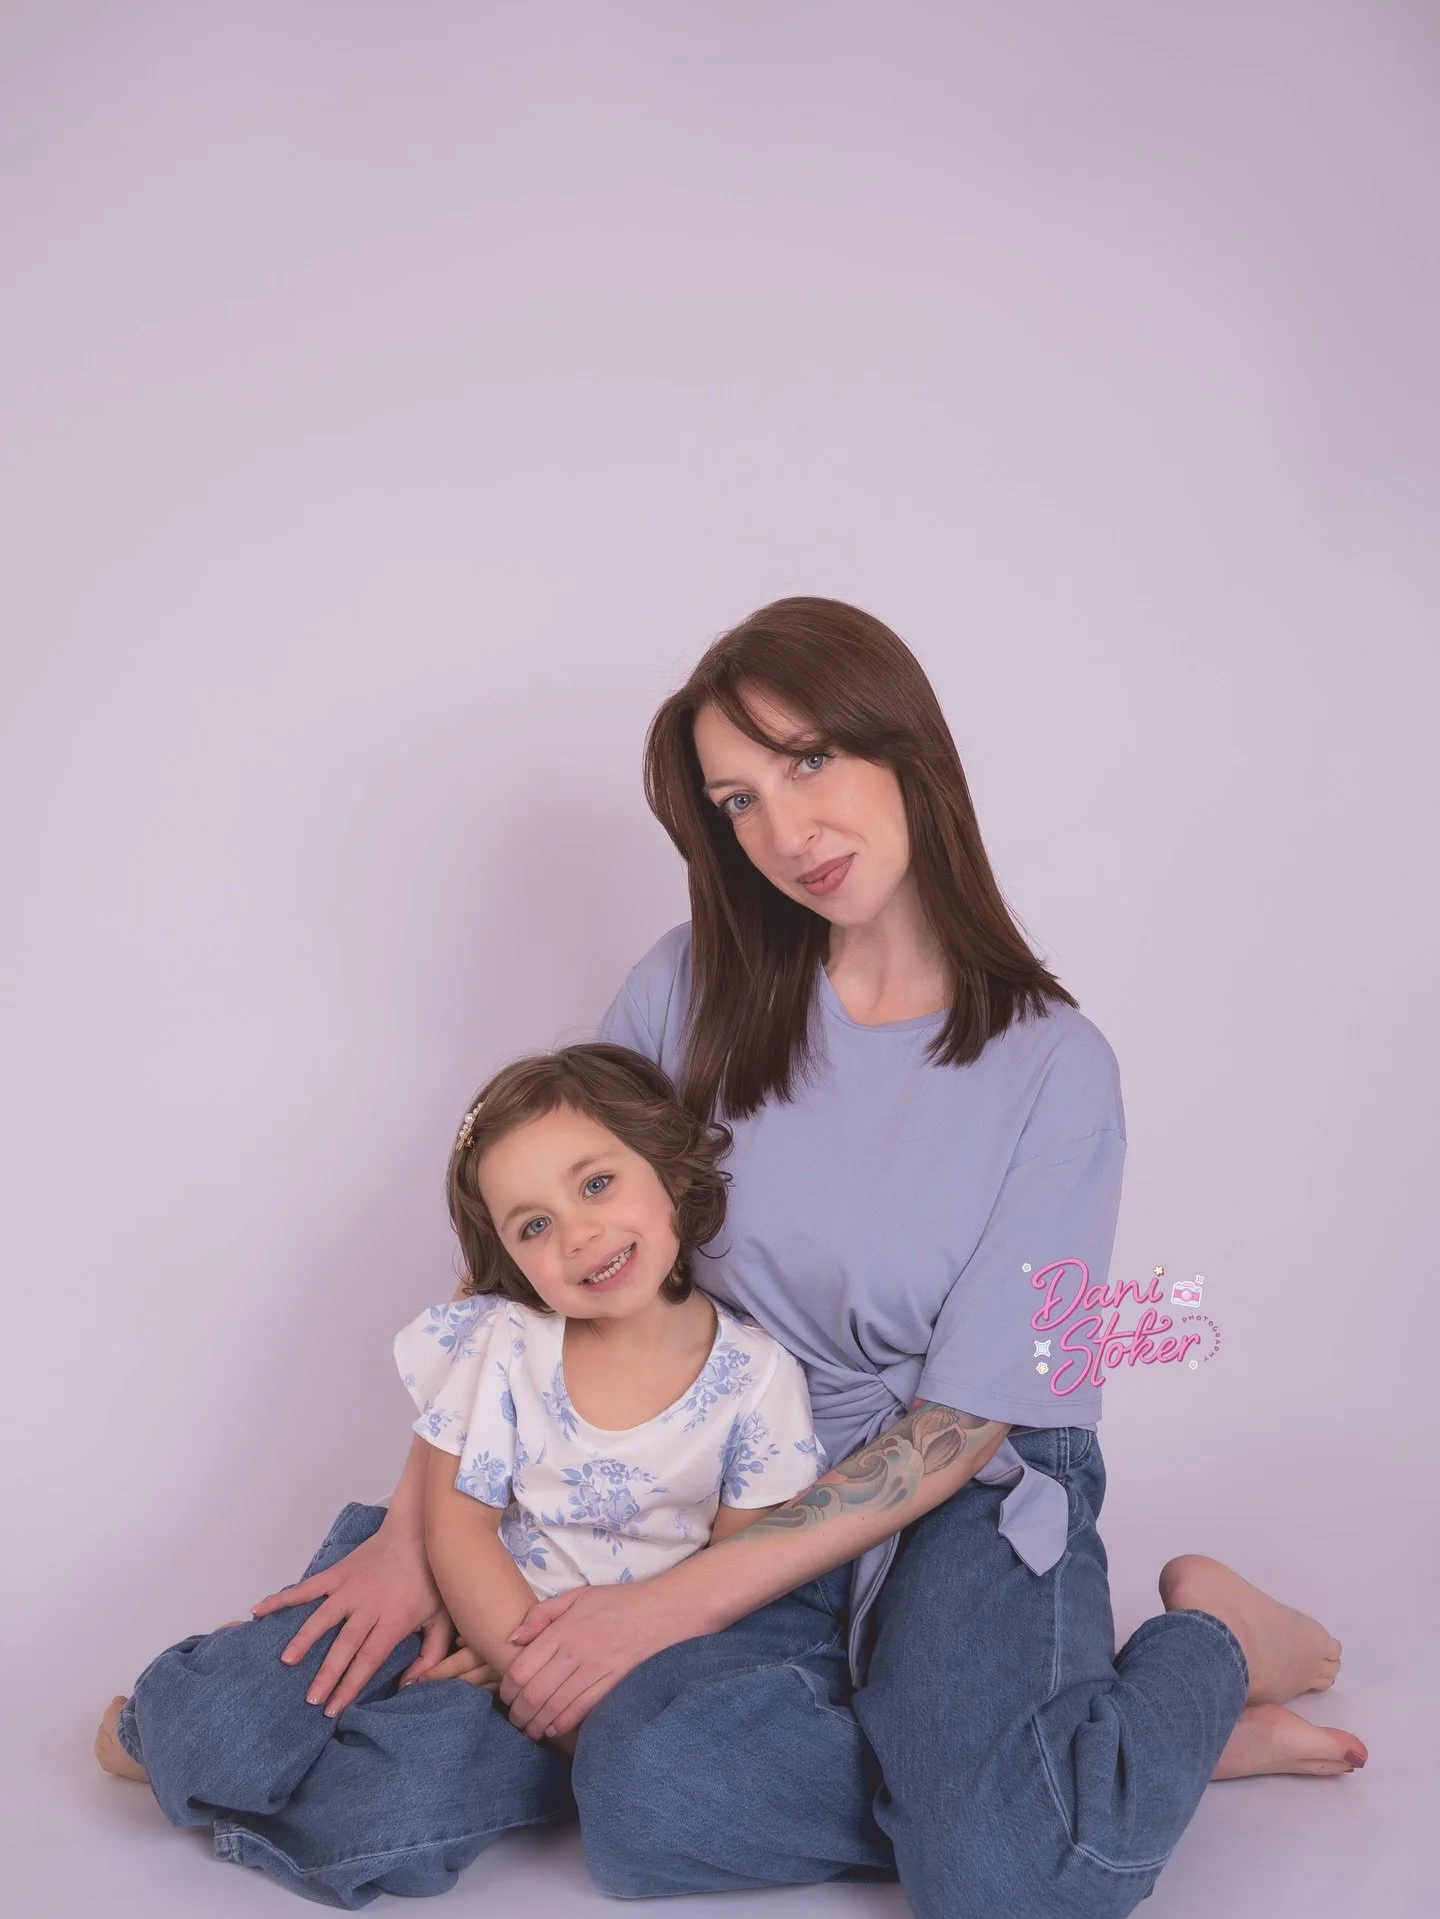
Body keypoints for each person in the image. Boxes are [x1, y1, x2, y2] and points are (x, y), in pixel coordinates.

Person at [213, 597, 1364, 1918]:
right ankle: (1071, 1763)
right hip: (716, 1469)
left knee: (1008, 1883)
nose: (785, 829)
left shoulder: (1057, 1068)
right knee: (641, 1788)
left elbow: (965, 1422)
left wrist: (667, 1609)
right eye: (738, 801)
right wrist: (415, 1524)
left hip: (958, 1479)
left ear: (905, 743)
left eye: (809, 759)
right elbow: (531, 1251)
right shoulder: (683, 986)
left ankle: (1208, 1650)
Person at [95, 1044, 822, 1907]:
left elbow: (726, 1589)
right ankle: (163, 1727)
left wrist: (547, 1692)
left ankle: (321, 1770)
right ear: (511, 1255)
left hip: (587, 1686)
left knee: (390, 1816)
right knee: (210, 1731)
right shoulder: (506, 1343)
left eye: (596, 1184)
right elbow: (457, 1527)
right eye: (534, 1225)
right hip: (444, 1595)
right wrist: (517, 1653)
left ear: (672, 1171)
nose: (579, 1234)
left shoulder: (758, 1379)